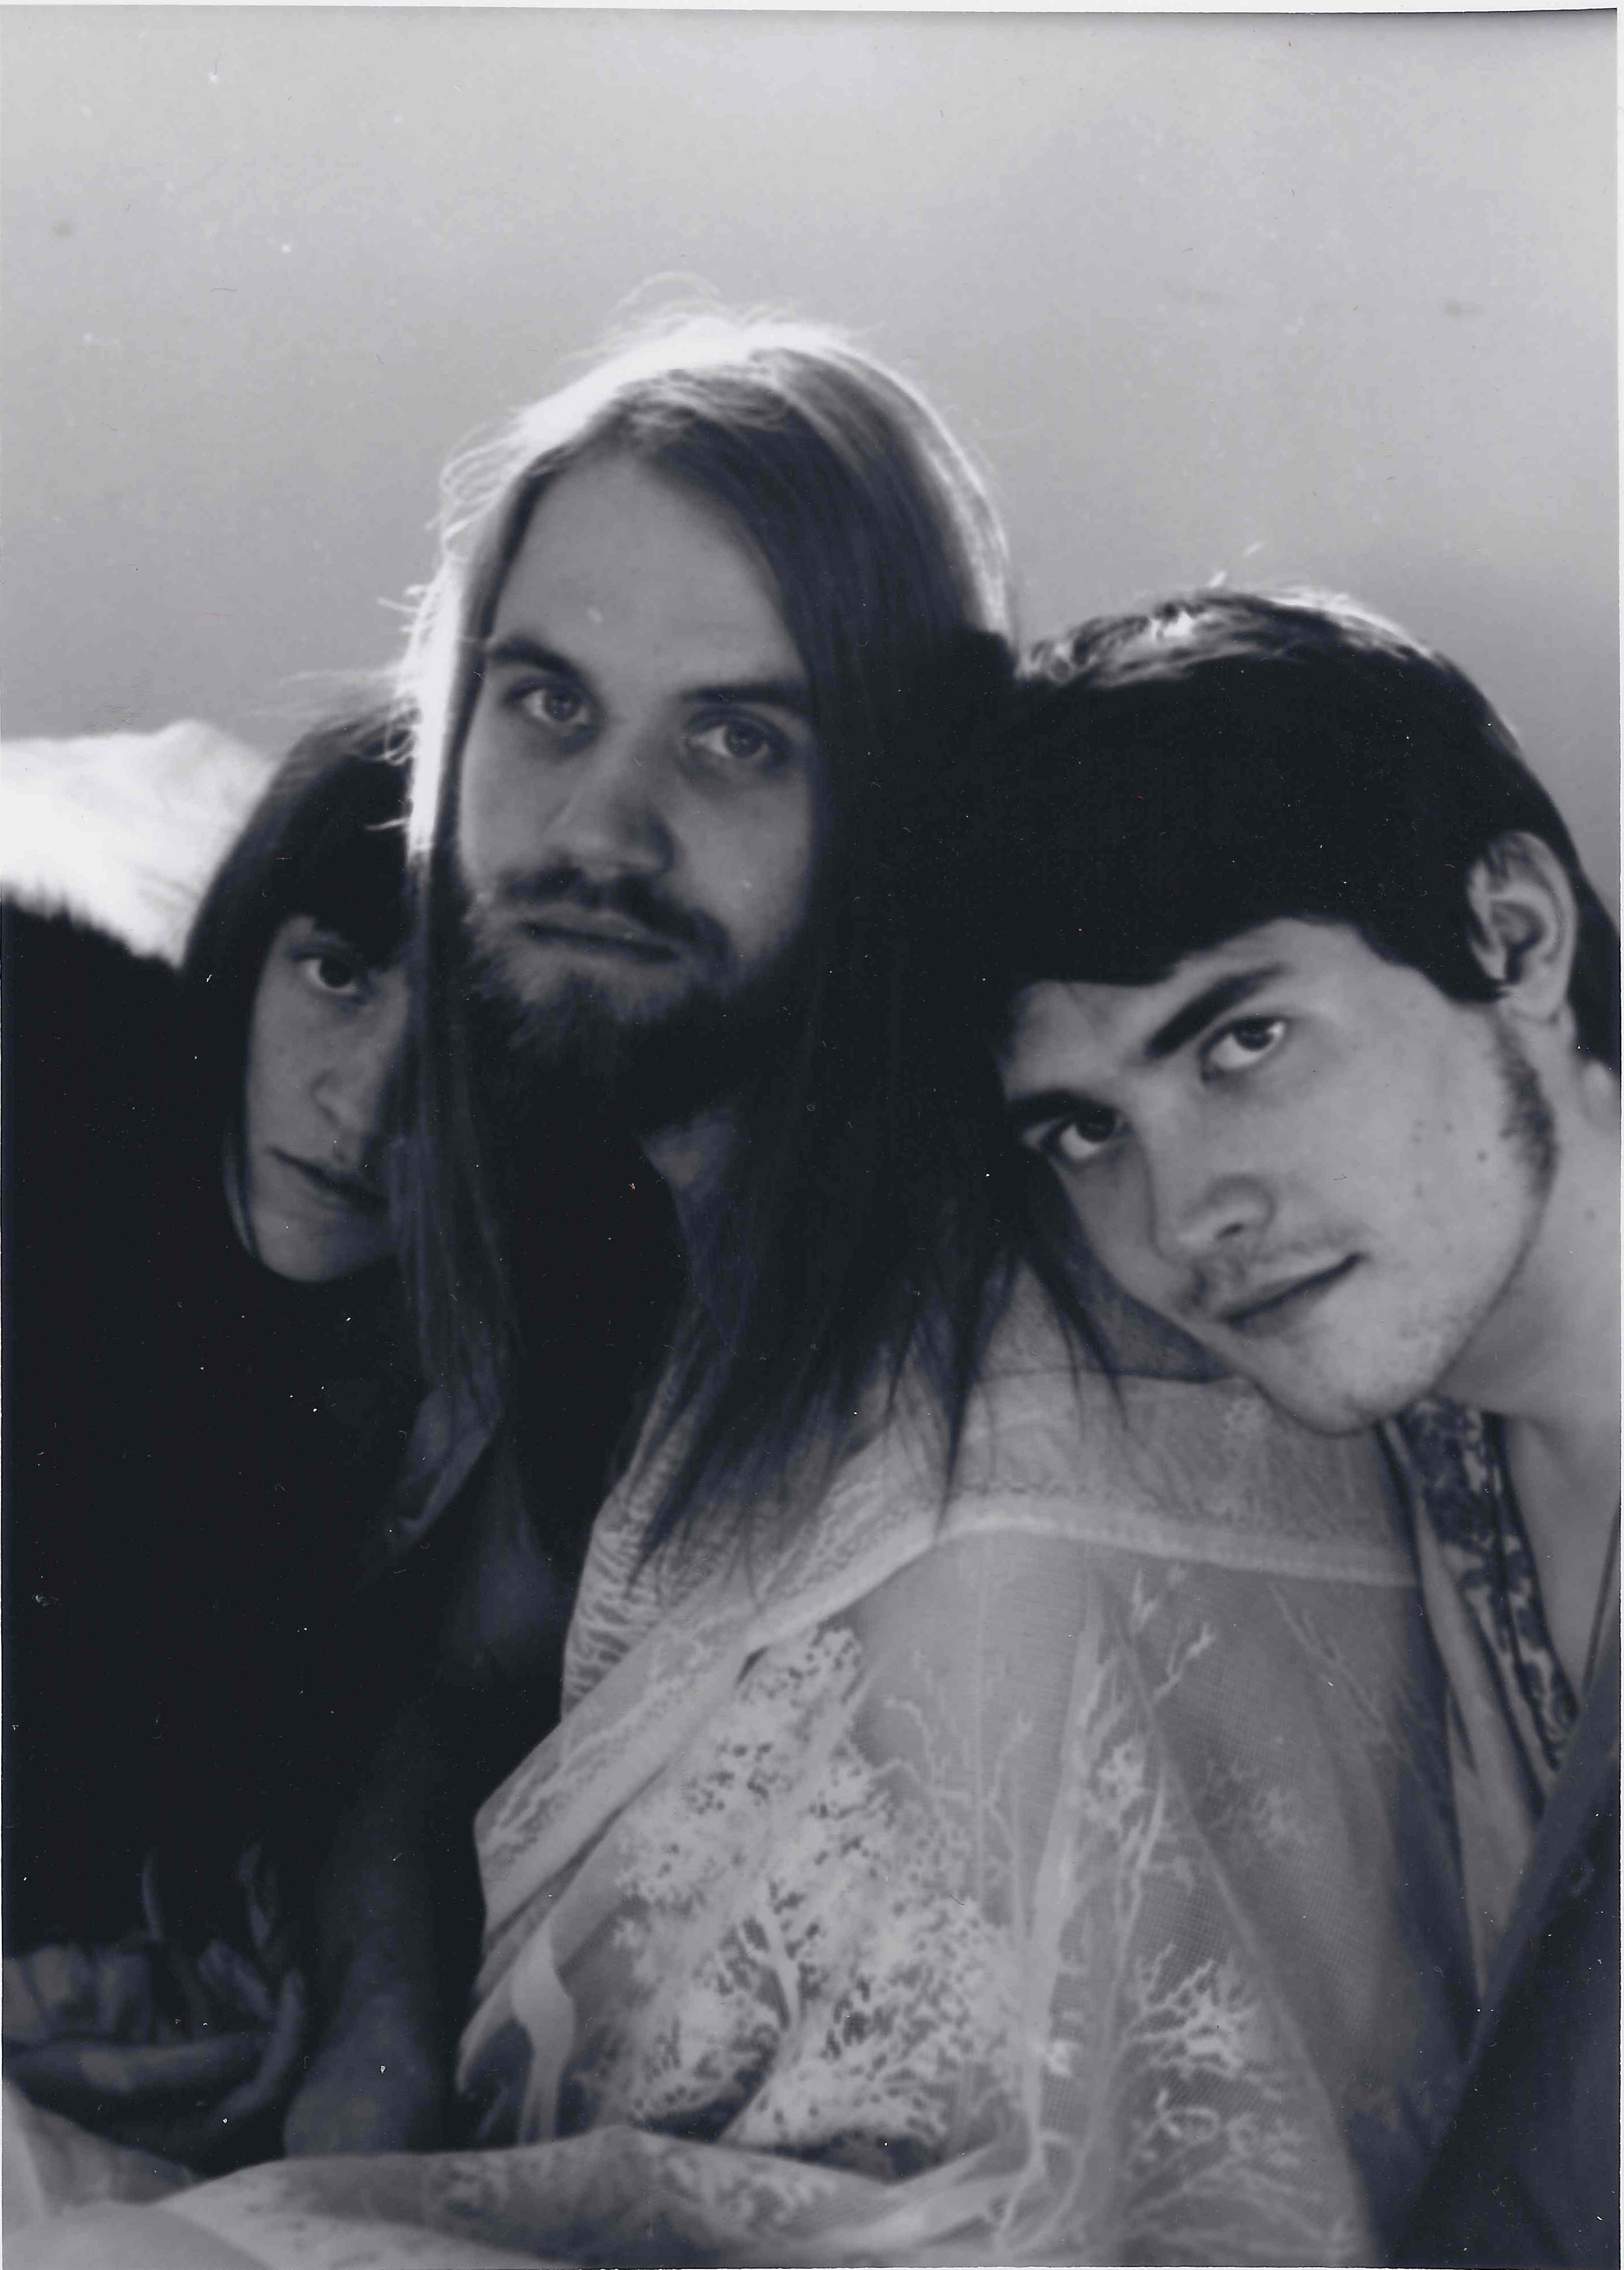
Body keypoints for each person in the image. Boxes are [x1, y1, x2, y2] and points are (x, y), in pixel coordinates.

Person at [8, 329, 1474, 2268]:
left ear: (898, 802)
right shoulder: (624, 1186)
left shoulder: (1024, 1367)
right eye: (546, 702)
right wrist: (370, 2032)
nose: (599, 831)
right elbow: (444, 1692)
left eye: (737, 742)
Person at [983, 590, 1619, 2268]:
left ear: (1512, 935)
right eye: (1084, 1131)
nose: (1183, 1215)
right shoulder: (1420, 1450)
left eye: (1242, 1040)